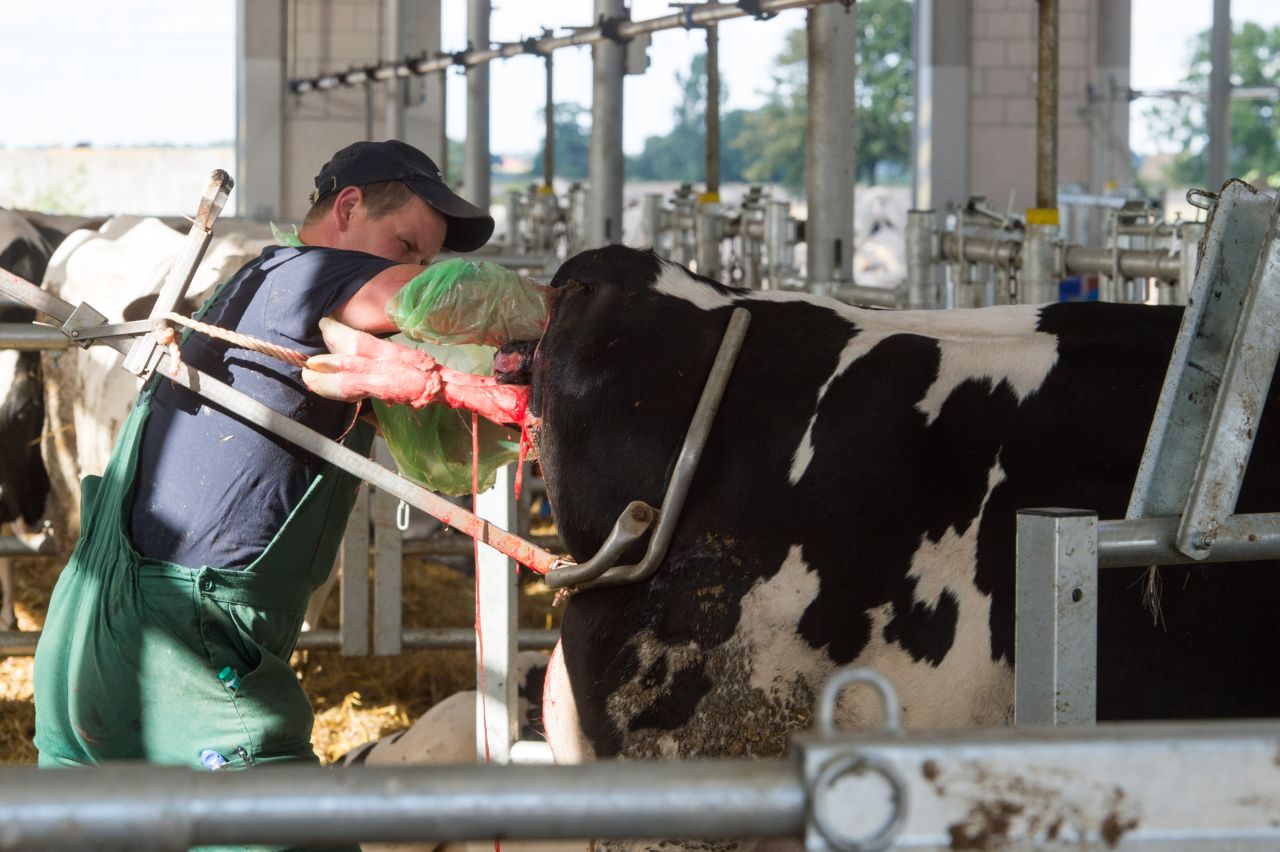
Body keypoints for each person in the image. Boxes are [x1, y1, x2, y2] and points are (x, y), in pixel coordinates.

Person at [33, 140, 494, 785]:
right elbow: (442, 302)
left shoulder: (250, 286)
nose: (416, 269)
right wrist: (564, 308)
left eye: (426, 259)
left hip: (87, 634)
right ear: (349, 207)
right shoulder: (309, 275)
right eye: (407, 247)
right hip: (188, 655)